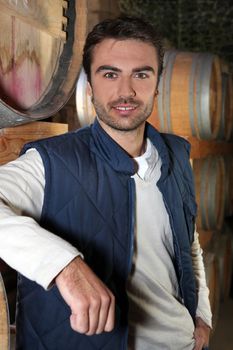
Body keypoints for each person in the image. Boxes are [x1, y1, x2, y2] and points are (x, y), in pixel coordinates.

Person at [0, 16, 212, 350]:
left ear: (158, 83)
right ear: (90, 84)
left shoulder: (176, 155)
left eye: (141, 74)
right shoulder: (51, 161)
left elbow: (190, 244)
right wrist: (64, 266)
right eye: (110, 74)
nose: (126, 91)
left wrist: (202, 318)